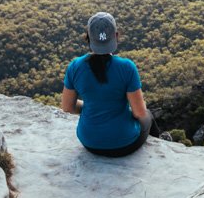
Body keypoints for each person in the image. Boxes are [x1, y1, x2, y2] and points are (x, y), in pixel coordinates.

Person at [61, 12, 153, 157]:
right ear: (116, 36)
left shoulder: (75, 67)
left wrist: (93, 106)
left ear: (88, 37)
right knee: (148, 115)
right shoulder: (127, 67)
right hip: (124, 143)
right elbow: (139, 113)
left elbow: (67, 107)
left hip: (89, 142)